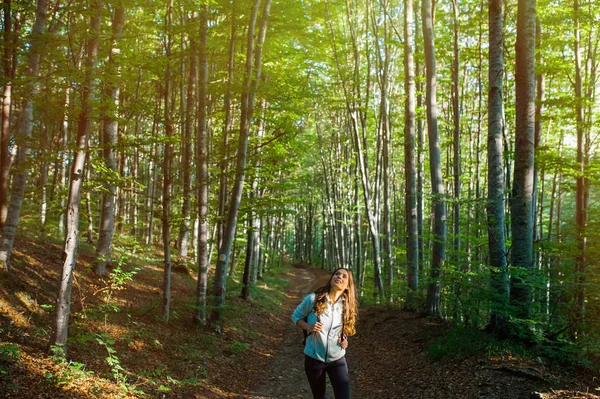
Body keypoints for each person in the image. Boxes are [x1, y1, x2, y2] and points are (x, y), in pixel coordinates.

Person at [292, 268, 358, 399]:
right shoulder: (313, 299)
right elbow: (296, 316)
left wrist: (344, 338)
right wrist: (309, 327)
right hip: (314, 359)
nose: (339, 276)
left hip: (337, 359)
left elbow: (345, 328)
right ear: (332, 278)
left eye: (344, 276)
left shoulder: (346, 305)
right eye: (337, 274)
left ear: (347, 285)